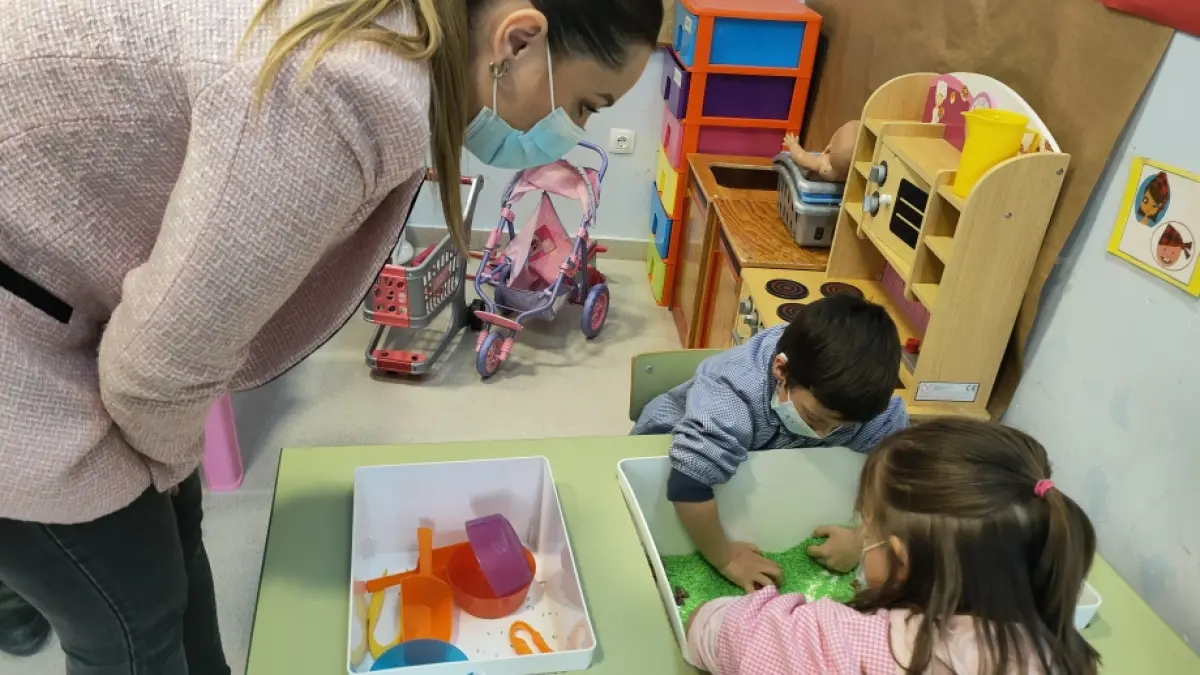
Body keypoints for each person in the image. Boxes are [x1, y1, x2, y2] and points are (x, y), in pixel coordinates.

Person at [0, 0, 661, 671]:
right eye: (585, 106)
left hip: (65, 290)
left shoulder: (394, 48)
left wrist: (167, 471)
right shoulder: (351, 91)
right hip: (25, 348)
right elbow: (157, 372)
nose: (573, 131)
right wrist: (162, 465)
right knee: (132, 620)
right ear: (517, 41)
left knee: (170, 551)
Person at [685, 419, 1101, 675]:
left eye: (867, 527)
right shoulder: (1056, 653)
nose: (863, 535)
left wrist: (714, 610)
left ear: (899, 559)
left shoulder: (848, 646)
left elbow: (720, 631)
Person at [632, 294, 908, 592]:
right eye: (814, 418)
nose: (823, 434)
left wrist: (862, 537)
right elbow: (687, 485)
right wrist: (726, 559)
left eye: (842, 427)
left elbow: (899, 474)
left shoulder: (860, 406)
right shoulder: (733, 393)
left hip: (758, 470)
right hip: (664, 447)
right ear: (781, 370)